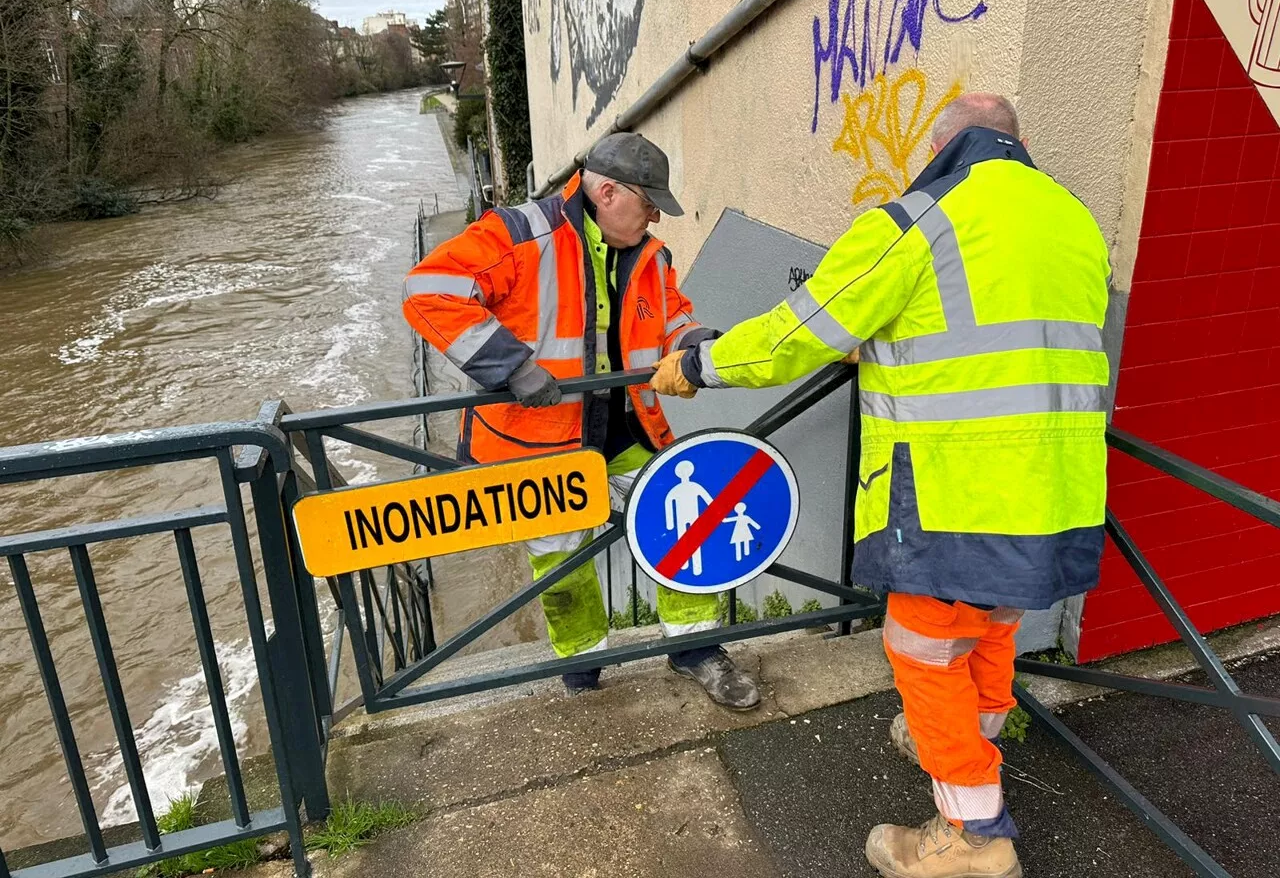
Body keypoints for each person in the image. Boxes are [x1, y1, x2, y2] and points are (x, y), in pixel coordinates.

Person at [650, 93, 1109, 877]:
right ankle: (974, 743)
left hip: (954, 493)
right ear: (1016, 143)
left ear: (942, 146)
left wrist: (698, 364)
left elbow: (801, 330)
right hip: (1059, 488)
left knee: (922, 650)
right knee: (990, 625)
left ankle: (971, 836)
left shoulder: (916, 221)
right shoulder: (1075, 222)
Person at [403, 132, 760, 711]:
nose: (653, 217)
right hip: (538, 439)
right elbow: (429, 289)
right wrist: (510, 365)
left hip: (627, 427)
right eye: (648, 204)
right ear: (609, 191)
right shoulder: (519, 233)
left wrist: (699, 346)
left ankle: (697, 647)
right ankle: (582, 665)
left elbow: (673, 318)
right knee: (562, 559)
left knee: (684, 523)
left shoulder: (653, 255)